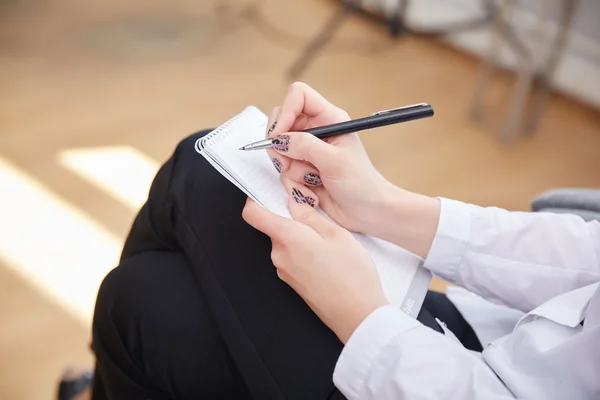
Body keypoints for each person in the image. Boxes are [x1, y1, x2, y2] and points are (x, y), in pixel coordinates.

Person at [83, 82, 598, 400]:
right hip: (486, 343)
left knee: (197, 170)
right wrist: (386, 207)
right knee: (138, 299)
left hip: (429, 379)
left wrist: (360, 314)